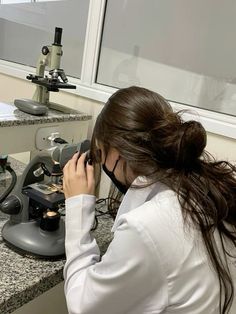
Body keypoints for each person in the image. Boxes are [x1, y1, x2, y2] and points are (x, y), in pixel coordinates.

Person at [62, 86, 236, 314]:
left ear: (116, 151)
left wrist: (78, 205)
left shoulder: (146, 227)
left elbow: (84, 305)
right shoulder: (210, 186)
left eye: (100, 153)